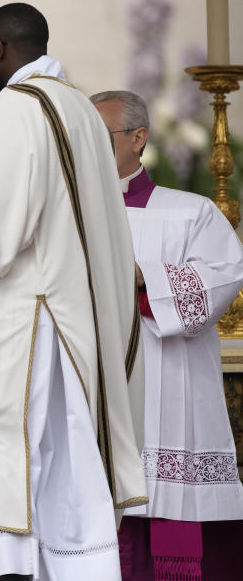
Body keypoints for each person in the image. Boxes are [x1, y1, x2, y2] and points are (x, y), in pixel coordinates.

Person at [0, 3, 147, 581]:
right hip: (78, 320)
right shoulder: (78, 105)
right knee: (61, 462)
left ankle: (5, 569)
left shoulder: (20, 106)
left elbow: (2, 228)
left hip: (30, 320)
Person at [91, 89, 243, 581]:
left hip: (167, 384)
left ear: (138, 139)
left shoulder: (189, 212)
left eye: (102, 133)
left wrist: (143, 278)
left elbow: (221, 279)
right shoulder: (65, 214)